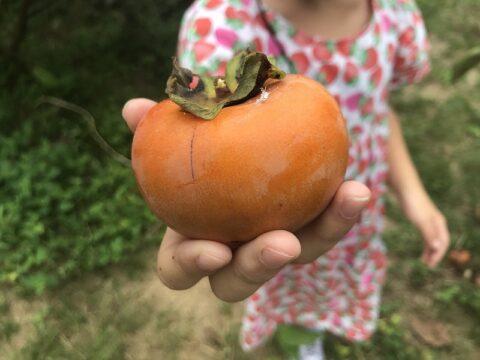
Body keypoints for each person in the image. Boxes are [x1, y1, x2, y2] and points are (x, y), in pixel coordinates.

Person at [122, 0, 450, 358]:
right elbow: (201, 151)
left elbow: (378, 109)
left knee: (336, 282)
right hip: (271, 230)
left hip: (355, 215)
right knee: (289, 286)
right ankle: (302, 342)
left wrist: (414, 195)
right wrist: (191, 197)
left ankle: (320, 327)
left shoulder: (395, 15)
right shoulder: (219, 25)